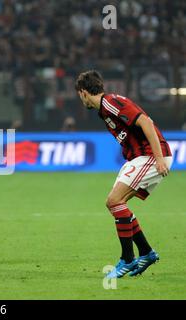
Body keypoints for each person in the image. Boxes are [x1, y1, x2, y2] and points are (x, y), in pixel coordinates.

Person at [75, 70, 172, 278]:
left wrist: (159, 157)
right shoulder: (104, 108)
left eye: (79, 95)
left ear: (83, 92)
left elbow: (145, 122)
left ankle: (128, 259)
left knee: (114, 201)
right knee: (118, 204)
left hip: (149, 156)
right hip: (140, 157)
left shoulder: (109, 102)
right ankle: (146, 252)